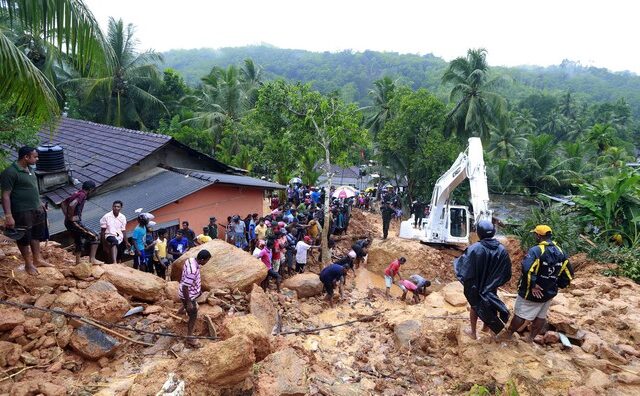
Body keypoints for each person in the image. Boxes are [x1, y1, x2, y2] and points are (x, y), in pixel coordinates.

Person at [506, 225, 574, 342]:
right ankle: (530, 338)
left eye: (535, 234)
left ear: (538, 235)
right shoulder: (561, 252)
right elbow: (568, 273)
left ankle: (508, 335)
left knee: (520, 314)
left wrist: (533, 285)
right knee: (540, 316)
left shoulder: (536, 251)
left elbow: (527, 268)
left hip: (532, 292)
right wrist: (557, 285)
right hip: (549, 292)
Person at [454, 220, 512, 340]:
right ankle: (486, 328)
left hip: (476, 285)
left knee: (475, 306)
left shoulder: (474, 249)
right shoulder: (502, 249)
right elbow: (506, 271)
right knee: (491, 304)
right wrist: (494, 283)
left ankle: (473, 333)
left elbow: (464, 267)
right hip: (491, 286)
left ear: (479, 233)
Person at [0, 146, 52, 274]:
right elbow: (5, 195)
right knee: (23, 237)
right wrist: (8, 215)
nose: (37, 159)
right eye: (35, 156)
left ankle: (37, 259)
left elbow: (33, 189)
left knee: (36, 235)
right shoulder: (10, 172)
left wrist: (40, 204)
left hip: (36, 210)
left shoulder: (30, 169)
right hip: (22, 211)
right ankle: (28, 264)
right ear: (26, 157)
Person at [179, 249, 211, 348]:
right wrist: (188, 302)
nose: (206, 262)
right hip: (188, 295)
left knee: (191, 308)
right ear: (201, 259)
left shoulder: (190, 260)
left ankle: (180, 310)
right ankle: (189, 337)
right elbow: (185, 287)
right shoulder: (192, 270)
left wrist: (198, 289)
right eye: (206, 261)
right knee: (193, 314)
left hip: (191, 292)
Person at [62, 181, 99, 265]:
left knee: (78, 240)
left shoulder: (77, 193)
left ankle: (78, 261)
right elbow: (72, 205)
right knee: (95, 237)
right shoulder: (82, 195)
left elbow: (63, 203)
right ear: (90, 189)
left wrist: (67, 216)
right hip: (74, 222)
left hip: (68, 222)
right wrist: (71, 217)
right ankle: (92, 259)